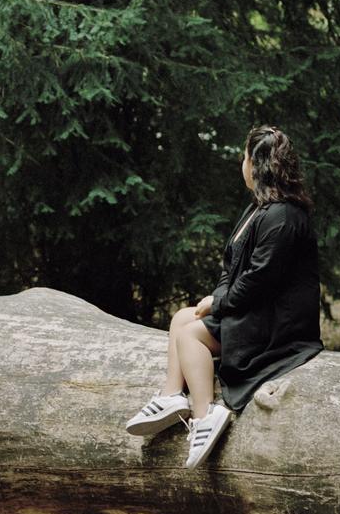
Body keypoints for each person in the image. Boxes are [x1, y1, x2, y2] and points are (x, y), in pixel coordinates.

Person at [126, 125, 323, 467]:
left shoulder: (284, 217)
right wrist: (216, 297)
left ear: (257, 164)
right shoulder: (257, 211)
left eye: (244, 157)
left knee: (191, 336)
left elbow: (260, 280)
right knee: (182, 317)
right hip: (256, 308)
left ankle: (205, 416)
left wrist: (219, 304)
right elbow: (230, 268)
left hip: (278, 325)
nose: (241, 164)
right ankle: (172, 396)